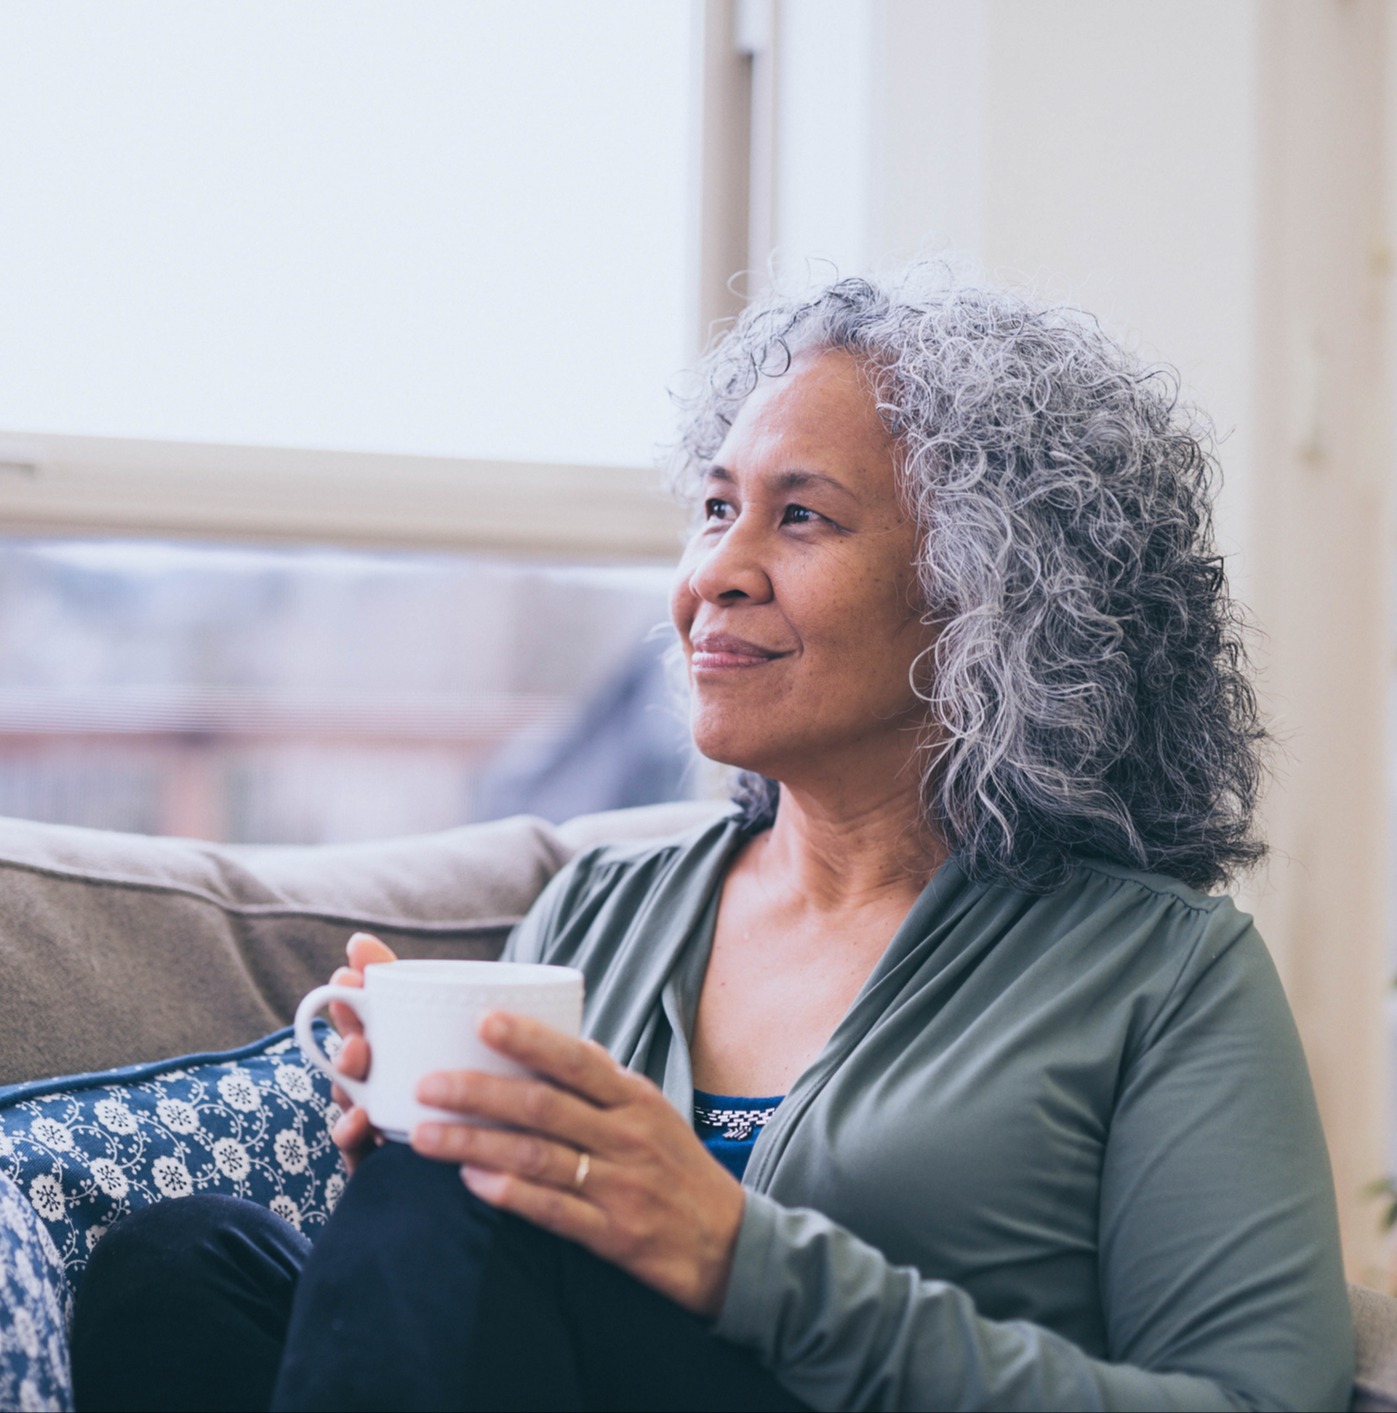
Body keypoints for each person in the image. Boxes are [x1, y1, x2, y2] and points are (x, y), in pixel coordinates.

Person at [71, 268, 1353, 1412]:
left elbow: (1257, 1398)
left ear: (990, 598)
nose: (715, 573)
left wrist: (743, 1260)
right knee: (183, 1268)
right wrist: (410, 1161)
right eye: (714, 507)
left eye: (801, 518)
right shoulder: (600, 907)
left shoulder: (1160, 974)